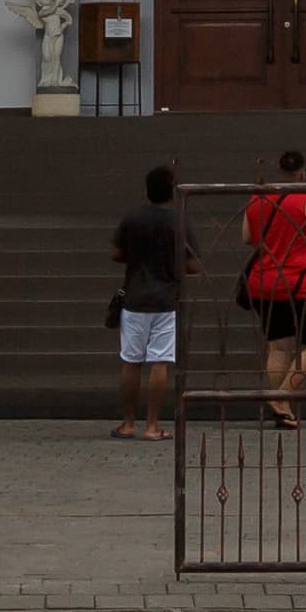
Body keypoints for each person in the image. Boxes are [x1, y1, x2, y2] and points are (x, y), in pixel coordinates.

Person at [242, 148, 306, 429]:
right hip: (297, 284)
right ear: (303, 173)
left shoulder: (257, 199)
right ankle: (282, 398)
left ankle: (281, 411)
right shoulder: (305, 201)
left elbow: (247, 237)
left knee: (279, 347)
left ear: (278, 171)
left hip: (263, 283)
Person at [111, 161, 184, 441]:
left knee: (131, 360)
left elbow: (117, 253)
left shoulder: (132, 218)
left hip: (135, 298)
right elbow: (191, 262)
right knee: (160, 361)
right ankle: (152, 425)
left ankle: (128, 423)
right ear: (171, 191)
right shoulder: (177, 220)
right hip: (165, 299)